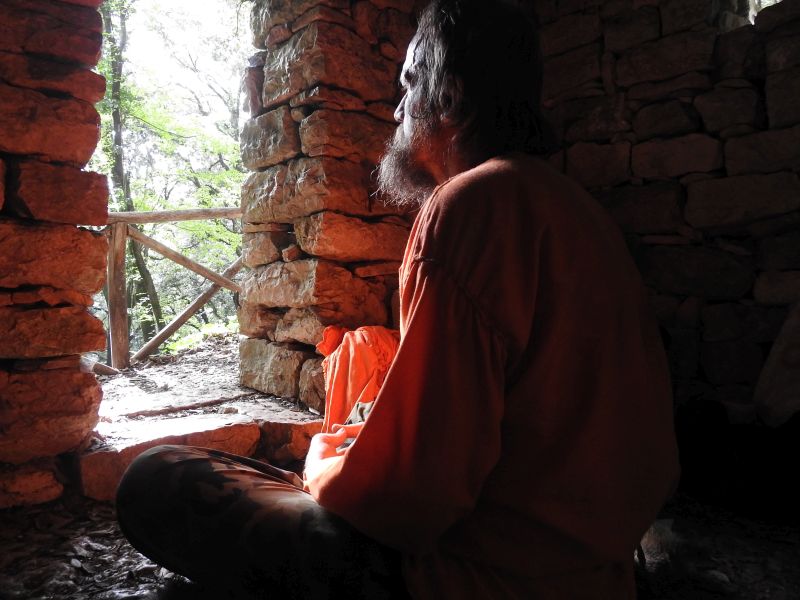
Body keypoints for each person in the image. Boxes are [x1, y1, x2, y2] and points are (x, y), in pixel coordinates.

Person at [116, 1, 680, 598]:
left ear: (451, 92)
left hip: (484, 576)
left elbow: (410, 496)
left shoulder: (471, 203)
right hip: (599, 566)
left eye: (409, 84)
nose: (396, 109)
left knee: (159, 477)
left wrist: (327, 459)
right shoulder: (575, 207)